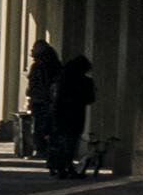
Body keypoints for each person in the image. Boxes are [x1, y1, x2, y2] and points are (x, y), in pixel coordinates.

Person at [45, 52, 100, 183]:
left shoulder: (61, 80)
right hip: (76, 114)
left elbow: (54, 98)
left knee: (61, 141)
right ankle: (68, 166)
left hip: (60, 113)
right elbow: (90, 99)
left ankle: (60, 167)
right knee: (71, 142)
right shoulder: (86, 82)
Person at [21, 41, 60, 164]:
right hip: (46, 100)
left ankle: (42, 150)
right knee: (46, 126)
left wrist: (31, 95)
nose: (31, 51)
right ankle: (47, 150)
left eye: (34, 49)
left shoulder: (39, 66)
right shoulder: (54, 65)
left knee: (40, 126)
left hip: (41, 100)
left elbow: (37, 83)